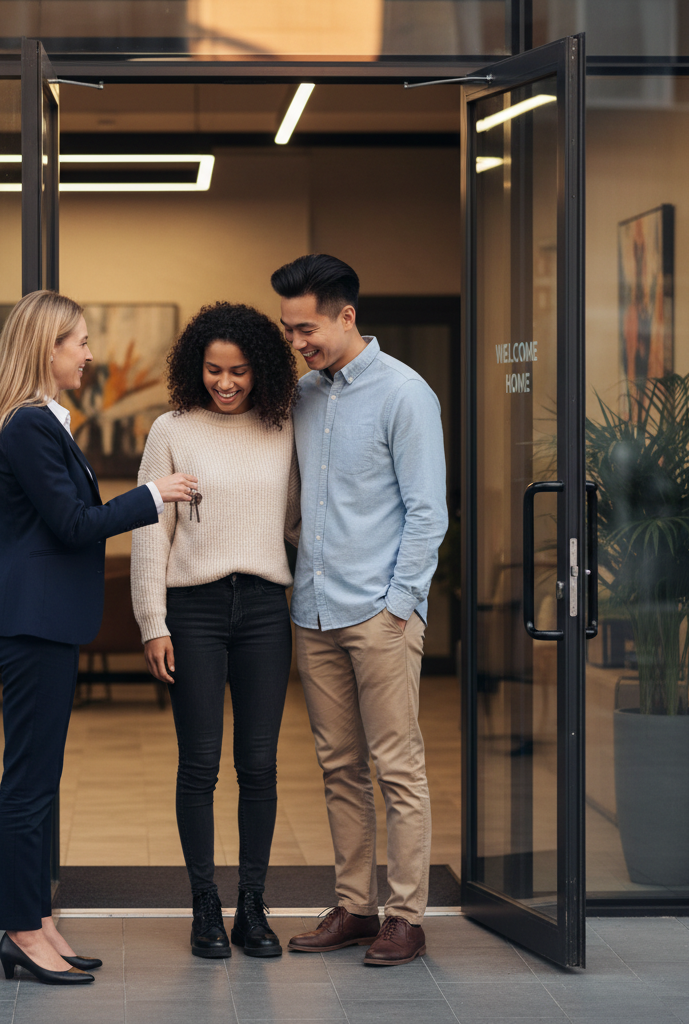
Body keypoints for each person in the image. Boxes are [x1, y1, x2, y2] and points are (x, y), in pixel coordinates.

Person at [0, 289, 197, 985]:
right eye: (78, 342)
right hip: (33, 622)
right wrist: (155, 494)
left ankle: (38, 921)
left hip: (43, 621)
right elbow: (73, 524)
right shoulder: (26, 425)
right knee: (29, 783)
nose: (90, 355)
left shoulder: (41, 421)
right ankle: (21, 930)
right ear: (45, 348)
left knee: (40, 779)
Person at [271, 255, 447, 966]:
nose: (297, 342)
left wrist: (399, 606)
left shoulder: (405, 393)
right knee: (339, 767)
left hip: (379, 615)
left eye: (306, 329)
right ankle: (354, 906)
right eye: (288, 330)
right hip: (313, 613)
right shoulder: (303, 396)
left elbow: (428, 512)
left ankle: (405, 916)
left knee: (397, 768)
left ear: (346, 316)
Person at [131, 301, 300, 959]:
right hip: (192, 612)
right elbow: (151, 532)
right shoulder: (170, 429)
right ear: (194, 367)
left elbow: (296, 521)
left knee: (258, 764)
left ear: (261, 370)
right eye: (213, 370)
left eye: (238, 371)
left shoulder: (283, 427)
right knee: (199, 764)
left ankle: (252, 906)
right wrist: (152, 622)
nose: (225, 383)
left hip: (264, 610)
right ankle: (205, 904)